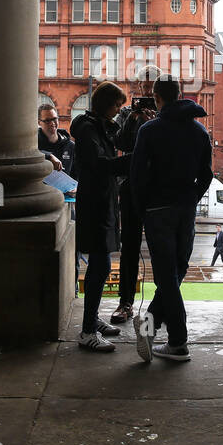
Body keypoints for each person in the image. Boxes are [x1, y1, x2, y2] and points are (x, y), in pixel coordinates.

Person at [129, 76, 213, 363]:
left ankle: (177, 342)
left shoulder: (149, 131)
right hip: (185, 210)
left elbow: (137, 175)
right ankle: (150, 328)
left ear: (157, 98)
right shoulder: (199, 132)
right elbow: (207, 176)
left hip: (157, 212)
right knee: (174, 273)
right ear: (179, 94)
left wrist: (142, 209)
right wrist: (191, 197)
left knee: (167, 276)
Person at [69, 81, 132, 352]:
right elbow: (97, 164)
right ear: (107, 104)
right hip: (94, 203)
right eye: (117, 105)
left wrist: (136, 121)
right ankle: (86, 332)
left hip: (103, 201)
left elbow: (121, 141)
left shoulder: (100, 126)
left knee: (101, 265)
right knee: (100, 266)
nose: (119, 111)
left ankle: (92, 320)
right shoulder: (87, 128)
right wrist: (132, 161)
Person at [107, 69, 160, 324]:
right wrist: (134, 119)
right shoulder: (128, 113)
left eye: (152, 87)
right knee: (128, 247)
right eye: (144, 86)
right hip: (130, 189)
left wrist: (154, 122)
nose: (148, 91)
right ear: (138, 87)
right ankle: (125, 302)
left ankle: (162, 305)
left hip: (157, 191)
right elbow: (121, 143)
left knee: (161, 248)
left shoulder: (165, 116)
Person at [37, 105, 75, 173]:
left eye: (54, 119)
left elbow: (76, 173)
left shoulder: (70, 146)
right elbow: (27, 153)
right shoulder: (34, 144)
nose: (52, 123)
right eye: (47, 120)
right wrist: (48, 156)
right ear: (39, 122)